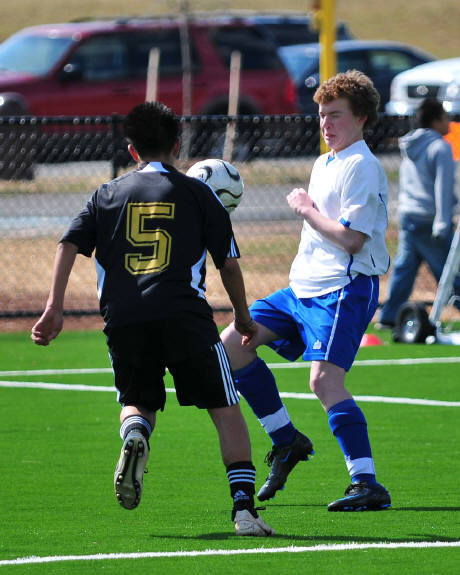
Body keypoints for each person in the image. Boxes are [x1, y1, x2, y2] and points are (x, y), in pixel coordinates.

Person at [30, 101, 274, 537]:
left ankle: (136, 433)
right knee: (226, 409)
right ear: (178, 145)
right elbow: (229, 265)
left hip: (124, 317)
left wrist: (54, 306)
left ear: (131, 149)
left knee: (137, 400)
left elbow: (68, 243)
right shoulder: (199, 194)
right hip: (186, 316)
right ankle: (244, 511)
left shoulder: (105, 194)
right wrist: (243, 317)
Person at [221, 70, 392, 511]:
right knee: (231, 347)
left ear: (361, 117)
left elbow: (353, 240)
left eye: (335, 115)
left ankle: (367, 483)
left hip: (343, 289)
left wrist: (305, 209)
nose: (325, 124)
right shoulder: (324, 163)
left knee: (324, 381)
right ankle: (286, 439)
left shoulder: (361, 165)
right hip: (302, 289)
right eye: (321, 115)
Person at [377, 97, 459, 329]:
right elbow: (442, 188)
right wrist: (443, 222)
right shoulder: (440, 147)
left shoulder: (411, 145)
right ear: (435, 121)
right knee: (450, 271)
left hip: (409, 216)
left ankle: (389, 316)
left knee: (405, 269)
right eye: (445, 117)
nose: (449, 122)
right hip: (430, 220)